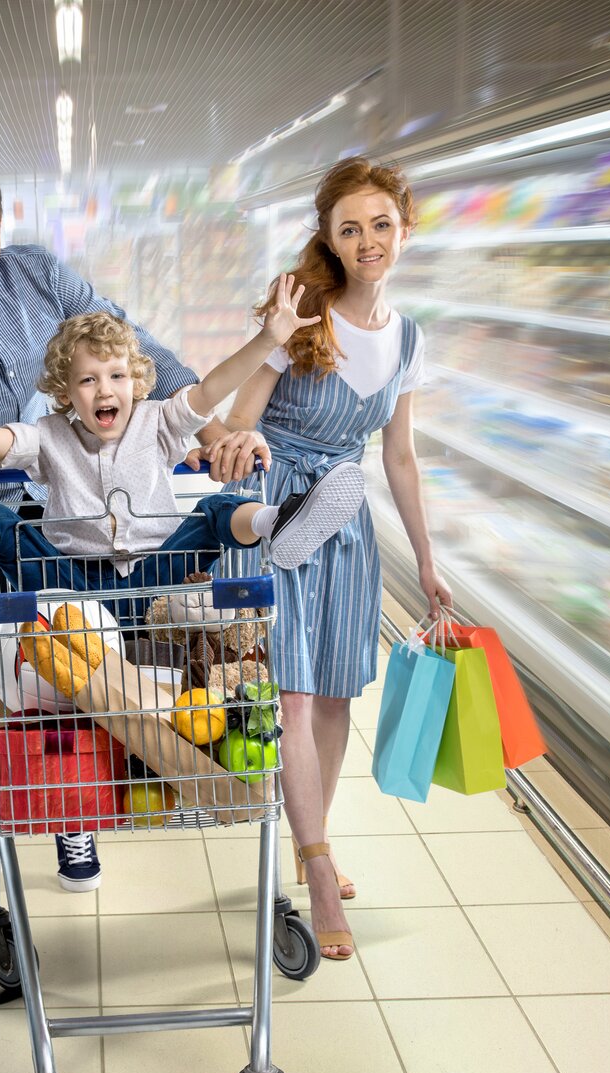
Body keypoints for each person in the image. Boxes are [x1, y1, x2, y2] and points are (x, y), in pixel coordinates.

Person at [0, 150, 263, 1019]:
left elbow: (139, 356)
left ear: (0, 223)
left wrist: (210, 432)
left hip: (51, 510)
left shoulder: (40, 276)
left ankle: (67, 801)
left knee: (78, 648)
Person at [0, 284, 364, 664]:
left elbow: (213, 387)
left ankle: (280, 520)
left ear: (137, 382)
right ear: (65, 392)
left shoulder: (160, 422)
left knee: (215, 510)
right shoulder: (48, 435)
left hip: (156, 576)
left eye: (116, 376)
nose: (104, 390)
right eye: (87, 380)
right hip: (72, 586)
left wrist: (269, 339)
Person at [205, 157, 453, 962]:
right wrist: (239, 443)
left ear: (404, 230)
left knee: (340, 694)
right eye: (351, 228)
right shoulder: (303, 317)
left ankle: (317, 839)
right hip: (285, 501)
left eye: (381, 224)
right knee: (299, 698)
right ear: (331, 239)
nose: (368, 240)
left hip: (347, 518)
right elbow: (246, 414)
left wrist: (428, 561)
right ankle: (315, 872)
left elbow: (402, 459)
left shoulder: (409, 341)